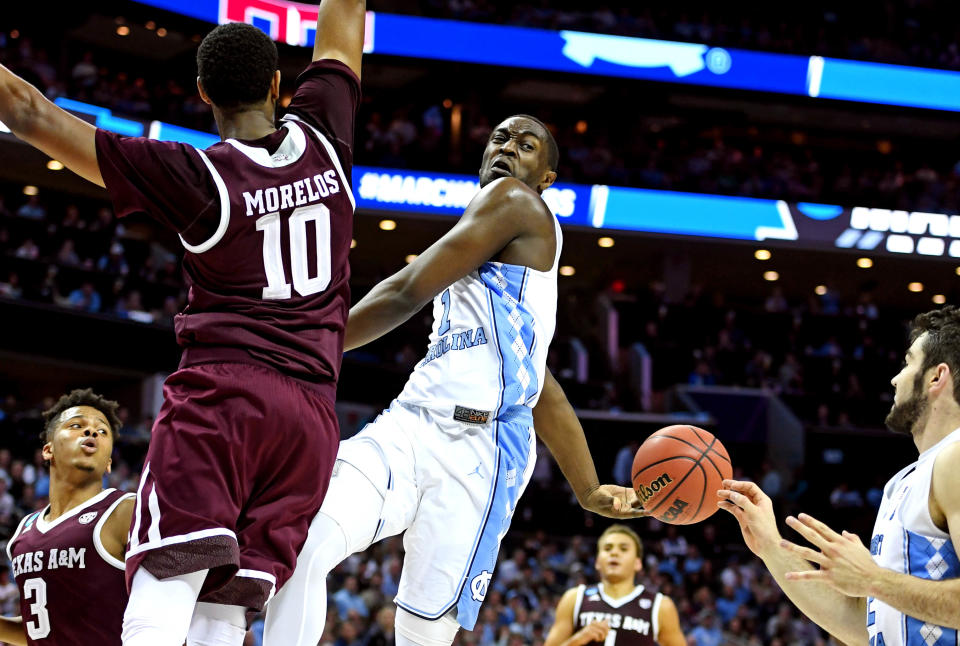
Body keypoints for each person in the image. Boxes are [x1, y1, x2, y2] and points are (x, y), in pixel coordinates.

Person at [0, 2, 365, 643]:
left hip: (226, 398)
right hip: (312, 417)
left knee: (162, 583)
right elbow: (341, 26)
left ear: (201, 94)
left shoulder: (197, 175)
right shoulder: (326, 138)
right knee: (222, 610)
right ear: (280, 83)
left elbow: (27, 111)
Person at [264, 114, 644, 646]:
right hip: (412, 423)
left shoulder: (515, 201)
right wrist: (587, 488)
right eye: (501, 138)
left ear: (546, 178)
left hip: (481, 451)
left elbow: (404, 291)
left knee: (421, 633)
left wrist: (297, 349)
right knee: (303, 541)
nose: (509, 147)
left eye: (527, 145)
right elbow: (540, 382)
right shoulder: (494, 245)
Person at [718, 305, 960, 646]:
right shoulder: (904, 481)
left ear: (937, 376)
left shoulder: (956, 458)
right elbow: (865, 627)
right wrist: (770, 546)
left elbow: (875, 584)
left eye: (908, 362)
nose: (895, 378)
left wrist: (873, 579)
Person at [0, 389, 135, 645]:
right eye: (76, 425)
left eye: (102, 430)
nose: (91, 432)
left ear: (108, 462)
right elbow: (42, 628)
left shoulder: (126, 510)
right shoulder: (23, 531)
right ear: (48, 450)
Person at [544, 525, 686, 646]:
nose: (614, 553)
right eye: (607, 548)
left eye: (623, 549)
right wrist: (577, 640)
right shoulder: (574, 598)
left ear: (638, 563)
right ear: (598, 561)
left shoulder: (661, 606)